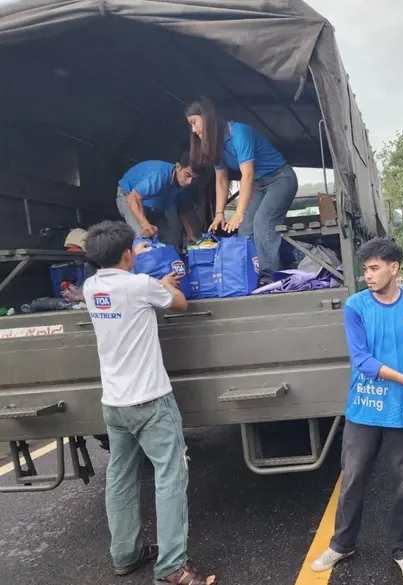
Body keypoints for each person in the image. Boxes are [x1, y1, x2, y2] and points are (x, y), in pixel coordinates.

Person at [83, 221, 215, 585]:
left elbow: (131, 291)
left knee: (121, 476)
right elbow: (181, 303)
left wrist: (154, 284)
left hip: (114, 403)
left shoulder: (91, 287)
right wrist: (164, 285)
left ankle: (125, 553)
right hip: (150, 400)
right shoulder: (140, 285)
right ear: (128, 254)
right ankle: (173, 567)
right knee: (171, 475)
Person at [311, 238, 403, 583]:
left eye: (374, 268)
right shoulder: (355, 306)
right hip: (364, 410)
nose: (367, 275)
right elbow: (363, 361)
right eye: (365, 269)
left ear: (394, 268)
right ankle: (342, 544)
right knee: (352, 479)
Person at [186, 97, 299, 285]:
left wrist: (239, 212)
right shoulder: (215, 145)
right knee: (245, 228)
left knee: (263, 222)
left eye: (194, 122)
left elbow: (246, 175)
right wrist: (219, 214)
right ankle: (248, 273)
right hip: (257, 184)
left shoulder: (239, 132)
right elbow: (221, 180)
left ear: (207, 117)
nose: (193, 130)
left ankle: (269, 277)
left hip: (280, 178)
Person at [117, 153, 199, 247]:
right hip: (130, 196)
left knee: (169, 241)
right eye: (187, 175)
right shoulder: (159, 176)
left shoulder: (186, 186)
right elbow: (132, 198)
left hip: (154, 205)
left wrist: (190, 233)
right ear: (178, 167)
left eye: (194, 178)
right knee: (142, 238)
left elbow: (183, 207)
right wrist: (145, 224)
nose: (189, 182)